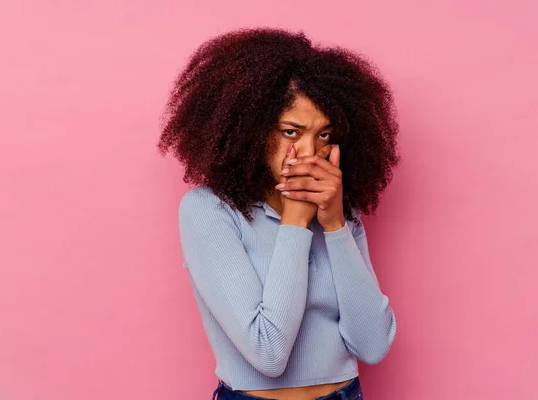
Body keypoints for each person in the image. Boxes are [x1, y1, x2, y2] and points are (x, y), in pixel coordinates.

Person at [158, 27, 400, 400]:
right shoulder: (210, 210)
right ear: (252, 130)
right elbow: (267, 353)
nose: (307, 152)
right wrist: (296, 222)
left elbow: (372, 345)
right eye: (291, 131)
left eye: (323, 135)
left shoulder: (338, 210)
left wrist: (335, 224)